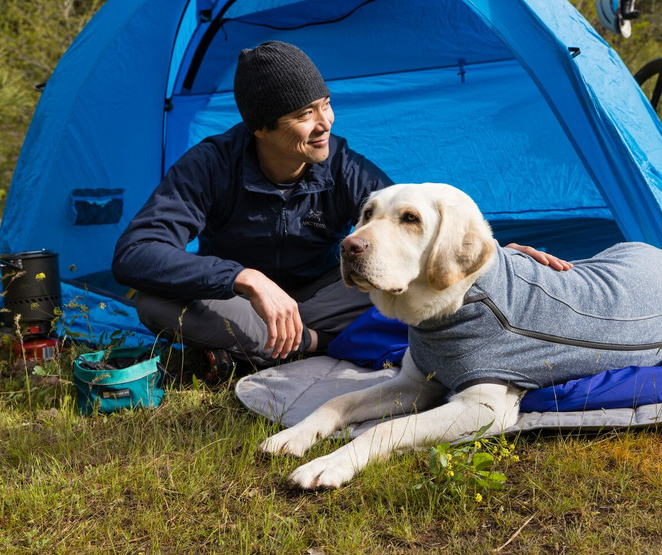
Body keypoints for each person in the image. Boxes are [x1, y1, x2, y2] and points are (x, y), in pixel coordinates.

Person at [112, 41, 569, 378]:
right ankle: (309, 347)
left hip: (325, 300)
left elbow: (415, 231)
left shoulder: (342, 165)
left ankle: (290, 346)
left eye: (326, 104)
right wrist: (241, 278)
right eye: (304, 115)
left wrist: (494, 257)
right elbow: (135, 253)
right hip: (244, 304)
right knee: (152, 301)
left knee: (405, 286)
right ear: (260, 129)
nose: (324, 124)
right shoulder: (210, 166)